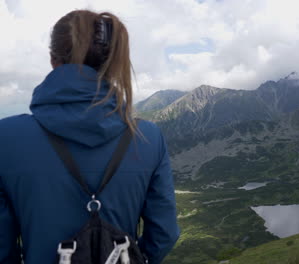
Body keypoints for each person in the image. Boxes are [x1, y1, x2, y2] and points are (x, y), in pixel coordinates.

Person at [0, 10, 180, 264]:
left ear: (53, 59)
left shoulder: (6, 138)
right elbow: (164, 234)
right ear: (109, 61)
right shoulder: (147, 137)